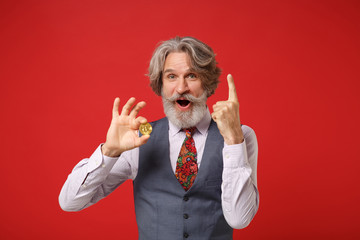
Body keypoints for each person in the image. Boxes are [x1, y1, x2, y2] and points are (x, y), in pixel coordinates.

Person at [59, 36, 259, 240]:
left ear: (207, 83)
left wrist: (234, 141)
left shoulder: (241, 136)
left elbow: (239, 219)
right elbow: (69, 202)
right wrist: (109, 151)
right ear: (161, 84)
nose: (181, 88)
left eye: (191, 76)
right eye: (171, 77)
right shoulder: (139, 136)